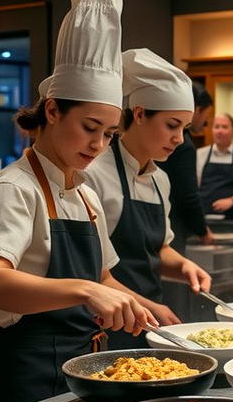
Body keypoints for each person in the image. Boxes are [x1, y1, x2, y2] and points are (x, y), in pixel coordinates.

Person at [0, 0, 158, 402]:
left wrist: (144, 308)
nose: (98, 144)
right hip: (25, 377)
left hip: (84, 372)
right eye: (89, 128)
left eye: (109, 134)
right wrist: (84, 291)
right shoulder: (14, 188)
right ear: (52, 110)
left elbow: (103, 276)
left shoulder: (85, 193)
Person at [84, 48, 211, 349]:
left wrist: (183, 267)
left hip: (148, 325)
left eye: (184, 128)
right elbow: (93, 272)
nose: (179, 139)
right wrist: (150, 308)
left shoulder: (159, 179)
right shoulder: (94, 174)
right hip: (105, 327)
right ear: (139, 114)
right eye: (172, 125)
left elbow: (157, 249)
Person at [162, 81, 214, 252]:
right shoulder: (184, 146)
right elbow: (188, 195)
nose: (177, 138)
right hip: (172, 224)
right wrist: (202, 230)